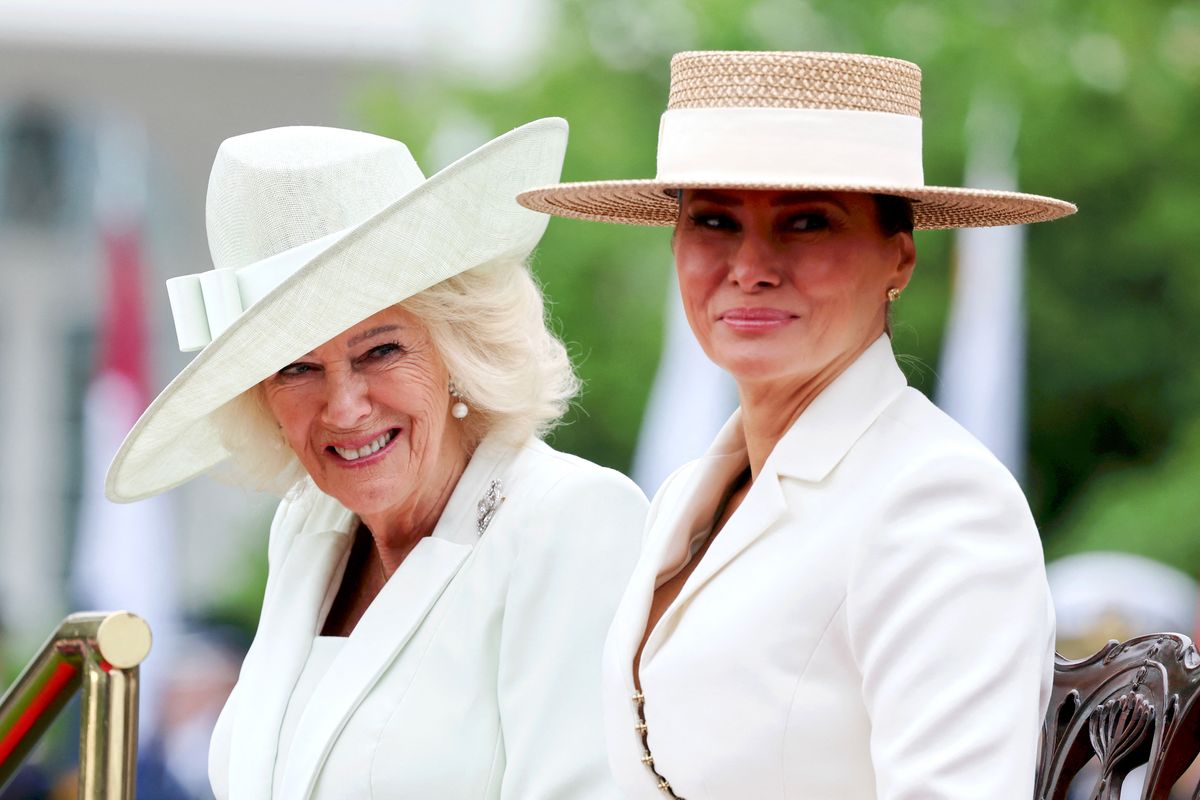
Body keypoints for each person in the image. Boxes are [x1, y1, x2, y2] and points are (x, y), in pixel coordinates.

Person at [519, 51, 1076, 799]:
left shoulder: (942, 503)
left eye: (807, 222)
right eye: (714, 220)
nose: (750, 266)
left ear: (899, 256)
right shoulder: (688, 493)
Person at [105, 119, 648, 799]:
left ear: (458, 347)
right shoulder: (308, 528)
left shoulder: (569, 521)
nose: (344, 407)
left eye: (380, 351)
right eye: (297, 368)